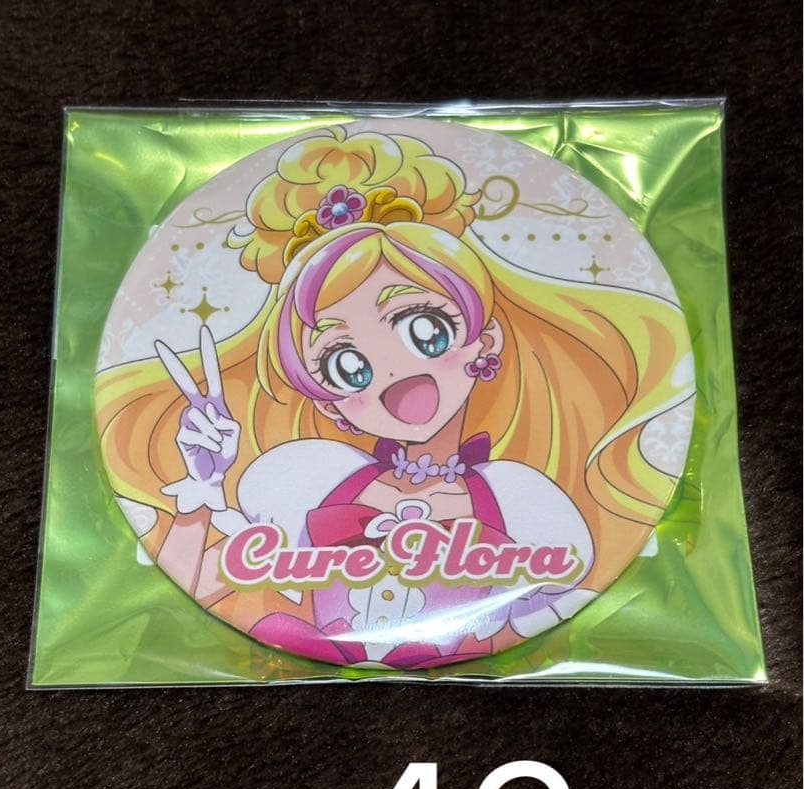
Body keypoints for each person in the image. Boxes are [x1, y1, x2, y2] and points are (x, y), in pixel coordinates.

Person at [97, 126, 692, 668]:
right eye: (346, 364)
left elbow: (555, 612)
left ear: (485, 339)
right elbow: (205, 584)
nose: (394, 374)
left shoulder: (525, 502)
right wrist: (202, 488)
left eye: (425, 330)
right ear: (328, 402)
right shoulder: (304, 479)